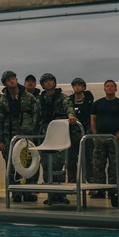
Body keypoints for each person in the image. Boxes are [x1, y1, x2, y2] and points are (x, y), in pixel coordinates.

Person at [0, 70, 39, 202]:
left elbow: (36, 115)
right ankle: (16, 192)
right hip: (9, 138)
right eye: (9, 80)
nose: (12, 81)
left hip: (27, 137)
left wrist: (33, 133)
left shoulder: (29, 97)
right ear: (5, 84)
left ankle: (29, 192)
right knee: (12, 165)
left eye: (14, 78)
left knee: (29, 164)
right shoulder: (1, 102)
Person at [37, 72, 77, 205]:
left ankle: (61, 195)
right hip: (44, 132)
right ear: (42, 84)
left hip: (59, 133)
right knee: (46, 164)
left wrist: (71, 116)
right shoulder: (38, 99)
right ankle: (51, 195)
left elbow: (69, 107)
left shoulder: (62, 97)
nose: (49, 83)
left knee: (59, 164)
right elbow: (35, 116)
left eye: (51, 81)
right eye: (46, 81)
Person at [90, 79, 119, 207]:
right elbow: (93, 120)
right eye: (107, 86)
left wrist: (117, 137)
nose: (110, 88)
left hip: (114, 139)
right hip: (100, 139)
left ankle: (113, 191)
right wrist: (96, 135)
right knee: (98, 165)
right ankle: (100, 191)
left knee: (113, 167)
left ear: (116, 89)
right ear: (104, 88)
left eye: (112, 86)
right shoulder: (98, 104)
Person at [68, 77, 94, 186]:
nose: (77, 87)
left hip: (86, 132)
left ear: (83, 87)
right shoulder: (69, 101)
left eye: (79, 85)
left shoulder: (89, 100)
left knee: (89, 159)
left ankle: (92, 184)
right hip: (72, 133)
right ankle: (72, 183)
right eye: (75, 85)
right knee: (71, 159)